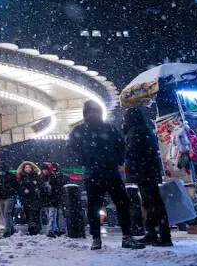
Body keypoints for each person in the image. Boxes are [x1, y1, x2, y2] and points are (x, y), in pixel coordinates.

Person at [68, 100, 145, 250]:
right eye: (90, 111)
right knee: (94, 207)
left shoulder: (109, 129)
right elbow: (71, 149)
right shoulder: (80, 130)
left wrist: (117, 159)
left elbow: (121, 146)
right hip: (93, 173)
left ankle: (126, 236)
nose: (93, 114)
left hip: (111, 172)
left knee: (121, 204)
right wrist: (83, 160)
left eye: (95, 111)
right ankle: (96, 238)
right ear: (85, 113)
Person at [124, 107, 172, 246]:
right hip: (148, 171)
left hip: (144, 172)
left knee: (152, 203)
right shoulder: (145, 130)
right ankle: (154, 232)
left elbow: (132, 152)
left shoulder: (136, 132)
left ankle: (162, 235)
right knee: (150, 203)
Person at [39, 162, 67, 238]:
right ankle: (54, 230)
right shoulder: (41, 178)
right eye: (43, 170)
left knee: (52, 216)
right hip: (46, 200)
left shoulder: (54, 177)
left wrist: (51, 189)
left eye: (46, 169)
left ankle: (50, 231)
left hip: (53, 200)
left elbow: (58, 189)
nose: (45, 171)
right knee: (50, 216)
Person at [16, 161, 42, 235]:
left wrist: (32, 187)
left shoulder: (35, 175)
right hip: (25, 198)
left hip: (34, 197)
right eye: (26, 167)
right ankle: (31, 227)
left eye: (29, 167)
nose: (27, 169)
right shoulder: (21, 176)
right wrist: (24, 190)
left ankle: (34, 229)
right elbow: (19, 186)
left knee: (34, 213)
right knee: (28, 213)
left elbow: (38, 185)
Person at [0, 162, 18, 237]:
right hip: (1, 197)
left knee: (6, 214)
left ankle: (7, 230)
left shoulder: (11, 176)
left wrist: (17, 194)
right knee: (4, 214)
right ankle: (11, 228)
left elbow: (16, 186)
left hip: (9, 197)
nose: (1, 172)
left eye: (2, 170)